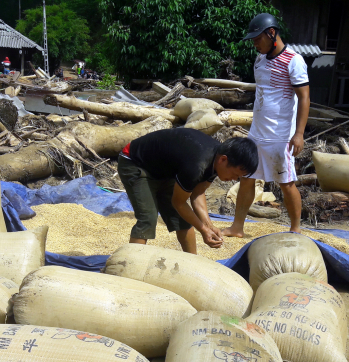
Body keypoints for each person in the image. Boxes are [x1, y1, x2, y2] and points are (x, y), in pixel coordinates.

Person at [222, 13, 309, 238]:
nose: (254, 43)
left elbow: (305, 98)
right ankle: (237, 227)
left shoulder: (294, 60)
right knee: (247, 178)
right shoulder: (260, 59)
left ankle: (296, 230)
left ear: (272, 34)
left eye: (257, 39)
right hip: (256, 134)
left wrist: (299, 134)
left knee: (286, 182)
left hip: (280, 137)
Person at [118, 129, 258, 253]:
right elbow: (178, 202)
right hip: (135, 162)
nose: (234, 180)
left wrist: (209, 226)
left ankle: (193, 264)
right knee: (148, 219)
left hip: (164, 171)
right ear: (223, 159)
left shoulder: (217, 161)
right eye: (235, 174)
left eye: (239, 178)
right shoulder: (197, 165)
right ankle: (132, 266)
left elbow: (197, 193)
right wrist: (203, 230)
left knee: (182, 220)